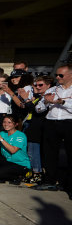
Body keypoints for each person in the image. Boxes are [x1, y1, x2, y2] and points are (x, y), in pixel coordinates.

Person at [34, 64, 72, 194]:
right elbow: (38, 109)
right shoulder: (54, 89)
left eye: (61, 75)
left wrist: (62, 102)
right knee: (49, 154)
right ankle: (50, 181)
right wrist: (46, 101)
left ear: (70, 75)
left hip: (69, 122)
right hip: (51, 123)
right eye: (56, 75)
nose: (57, 77)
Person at [0, 115, 31, 185]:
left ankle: (17, 177)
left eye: (9, 122)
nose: (6, 124)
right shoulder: (3, 133)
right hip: (8, 162)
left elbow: (13, 150)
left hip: (20, 164)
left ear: (16, 124)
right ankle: (0, 176)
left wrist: (0, 139)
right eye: (4, 122)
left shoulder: (21, 135)